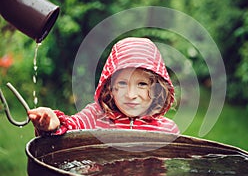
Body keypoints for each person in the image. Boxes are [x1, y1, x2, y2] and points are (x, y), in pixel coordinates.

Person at [28, 37, 179, 136]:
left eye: (142, 84)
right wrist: (53, 124)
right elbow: (69, 127)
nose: (131, 94)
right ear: (110, 88)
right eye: (122, 83)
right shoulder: (94, 117)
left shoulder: (167, 131)